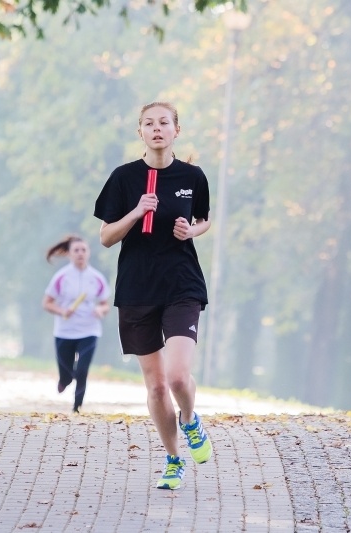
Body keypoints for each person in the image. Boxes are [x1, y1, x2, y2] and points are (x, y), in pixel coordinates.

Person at [93, 101, 213, 490]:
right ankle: (174, 458)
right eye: (149, 123)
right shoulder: (124, 178)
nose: (157, 129)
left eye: (164, 122)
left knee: (178, 377)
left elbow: (204, 218)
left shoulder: (193, 176)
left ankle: (190, 419)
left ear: (176, 130)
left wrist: (191, 232)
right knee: (157, 386)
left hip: (182, 286)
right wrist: (134, 213)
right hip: (137, 289)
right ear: (140, 132)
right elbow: (106, 237)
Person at [42, 235, 111, 413]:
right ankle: (64, 380)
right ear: (69, 254)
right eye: (76, 250)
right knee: (66, 372)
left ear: (88, 253)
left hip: (89, 330)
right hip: (64, 331)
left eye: (83, 250)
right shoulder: (61, 277)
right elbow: (47, 303)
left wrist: (100, 310)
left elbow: (105, 304)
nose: (80, 253)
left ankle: (77, 407)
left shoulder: (97, 278)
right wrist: (62, 311)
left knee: (82, 370)